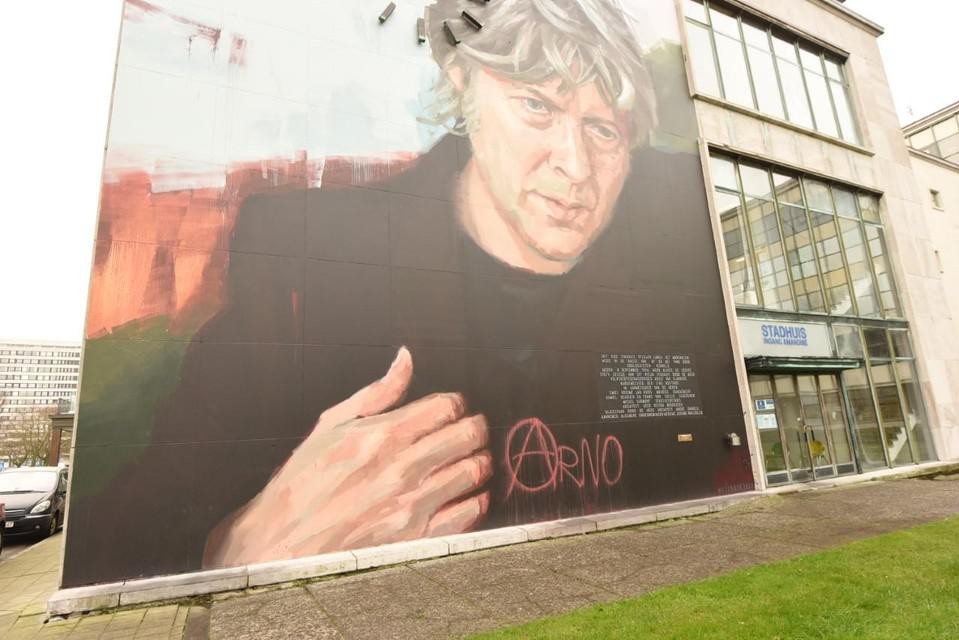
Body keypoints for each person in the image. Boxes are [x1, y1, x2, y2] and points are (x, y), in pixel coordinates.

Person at [64, 0, 750, 585]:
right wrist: (239, 547)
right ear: (464, 88)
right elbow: (120, 531)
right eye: (537, 107)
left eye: (602, 130)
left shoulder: (677, 283)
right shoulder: (306, 265)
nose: (575, 167)